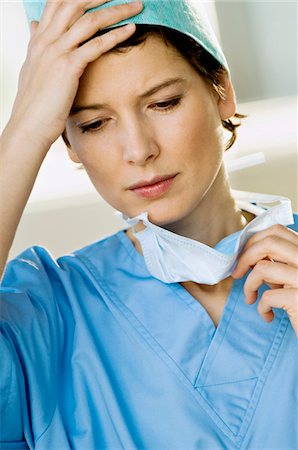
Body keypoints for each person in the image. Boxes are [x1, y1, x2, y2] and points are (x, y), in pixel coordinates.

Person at [0, 0, 297, 449]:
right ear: (68, 141)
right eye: (95, 123)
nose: (138, 150)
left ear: (222, 91)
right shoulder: (46, 322)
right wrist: (23, 128)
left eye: (163, 103)